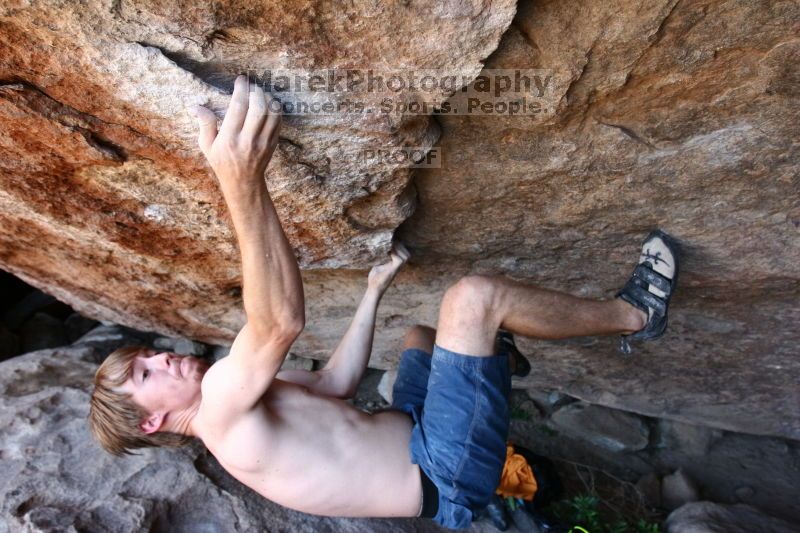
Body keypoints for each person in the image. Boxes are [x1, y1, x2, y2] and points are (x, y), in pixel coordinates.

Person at [88, 75, 678, 529]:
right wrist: (241, 181)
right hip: (444, 471)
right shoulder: (219, 416)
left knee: (421, 336)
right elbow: (278, 324)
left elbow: (339, 386)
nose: (162, 359)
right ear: (153, 421)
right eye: (145, 372)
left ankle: (495, 354)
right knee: (473, 300)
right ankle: (636, 315)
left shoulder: (238, 401)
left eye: (148, 355)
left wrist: (374, 290)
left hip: (415, 429)